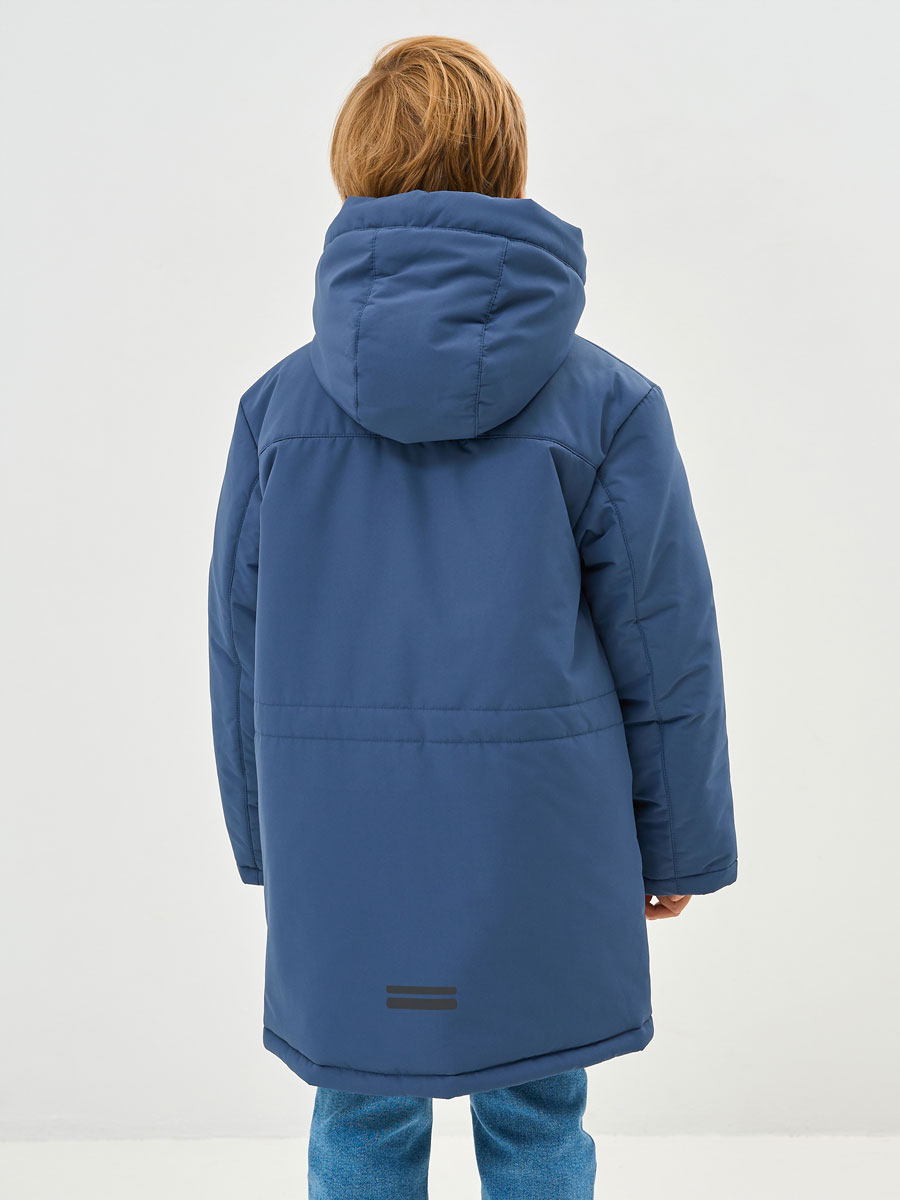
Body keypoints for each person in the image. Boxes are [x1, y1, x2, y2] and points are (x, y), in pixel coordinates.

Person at [208, 34, 738, 1200]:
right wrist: (678, 842)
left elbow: (237, 650)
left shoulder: (277, 413)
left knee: (360, 1106)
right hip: (538, 849)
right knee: (538, 1111)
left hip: (343, 844)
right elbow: (665, 646)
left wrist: (263, 838)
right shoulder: (606, 403)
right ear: (508, 165)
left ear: (352, 168)